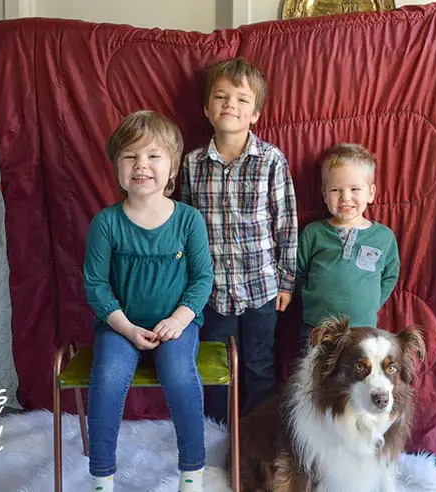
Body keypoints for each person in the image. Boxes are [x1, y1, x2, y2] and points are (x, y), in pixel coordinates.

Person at [84, 111, 213, 492]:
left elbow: (202, 278)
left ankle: (192, 473)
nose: (141, 165)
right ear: (117, 167)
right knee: (107, 378)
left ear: (172, 166)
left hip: (175, 324)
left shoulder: (189, 220)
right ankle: (101, 477)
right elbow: (95, 285)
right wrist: (123, 326)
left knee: (178, 375)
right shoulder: (106, 223)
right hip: (120, 326)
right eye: (130, 156)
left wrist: (178, 320)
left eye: (153, 156)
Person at [180, 57, 298, 423]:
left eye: (241, 99)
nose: (230, 104)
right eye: (221, 96)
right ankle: (218, 432)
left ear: (255, 114)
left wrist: (287, 280)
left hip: (261, 287)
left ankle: (255, 431)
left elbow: (286, 224)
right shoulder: (192, 163)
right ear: (206, 109)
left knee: (259, 363)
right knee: (216, 364)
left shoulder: (271, 160)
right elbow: (183, 224)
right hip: (212, 291)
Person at [297, 143, 400, 350]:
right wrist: (312, 298)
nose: (345, 197)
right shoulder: (313, 233)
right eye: (336, 190)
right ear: (325, 194)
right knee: (313, 379)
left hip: (362, 330)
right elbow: (298, 272)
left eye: (355, 189)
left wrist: (371, 304)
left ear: (371, 193)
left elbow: (390, 276)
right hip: (317, 328)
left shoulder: (384, 237)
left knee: (356, 381)